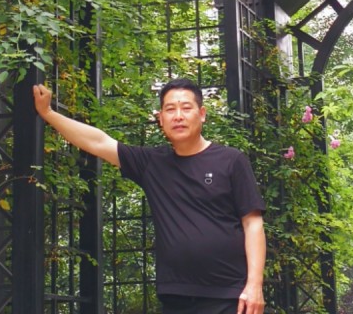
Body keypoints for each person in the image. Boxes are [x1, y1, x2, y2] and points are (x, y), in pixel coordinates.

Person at [33, 78, 266, 314]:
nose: (178, 116)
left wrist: (255, 285)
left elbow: (253, 223)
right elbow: (98, 142)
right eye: (170, 109)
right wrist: (48, 113)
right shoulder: (152, 163)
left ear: (202, 114)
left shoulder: (231, 160)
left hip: (230, 296)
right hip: (176, 297)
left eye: (186, 108)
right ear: (161, 118)